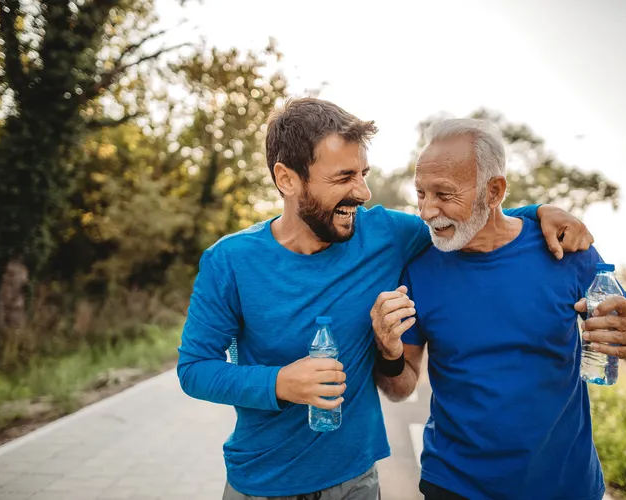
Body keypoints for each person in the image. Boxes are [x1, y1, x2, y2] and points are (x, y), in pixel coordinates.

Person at [176, 98, 594, 500]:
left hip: (354, 481)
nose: (363, 192)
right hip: (260, 481)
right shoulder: (229, 261)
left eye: (363, 173)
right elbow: (194, 369)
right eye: (343, 177)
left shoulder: (387, 236)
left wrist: (540, 212)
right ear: (287, 179)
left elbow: (470, 218)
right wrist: (280, 382)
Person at [371, 118, 626, 500]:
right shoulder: (419, 268)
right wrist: (389, 353)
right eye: (421, 193)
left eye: (443, 194)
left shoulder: (565, 250)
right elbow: (401, 386)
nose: (427, 210)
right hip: (455, 486)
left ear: (493, 192)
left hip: (567, 486)